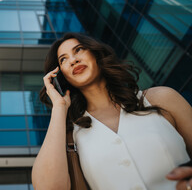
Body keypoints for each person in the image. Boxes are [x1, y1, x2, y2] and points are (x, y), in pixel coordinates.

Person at [31, 32, 192, 190]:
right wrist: (59, 107)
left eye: (78, 50)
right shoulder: (72, 136)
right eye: (63, 59)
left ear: (96, 54)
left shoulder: (161, 98)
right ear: (62, 77)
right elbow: (49, 187)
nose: (73, 60)